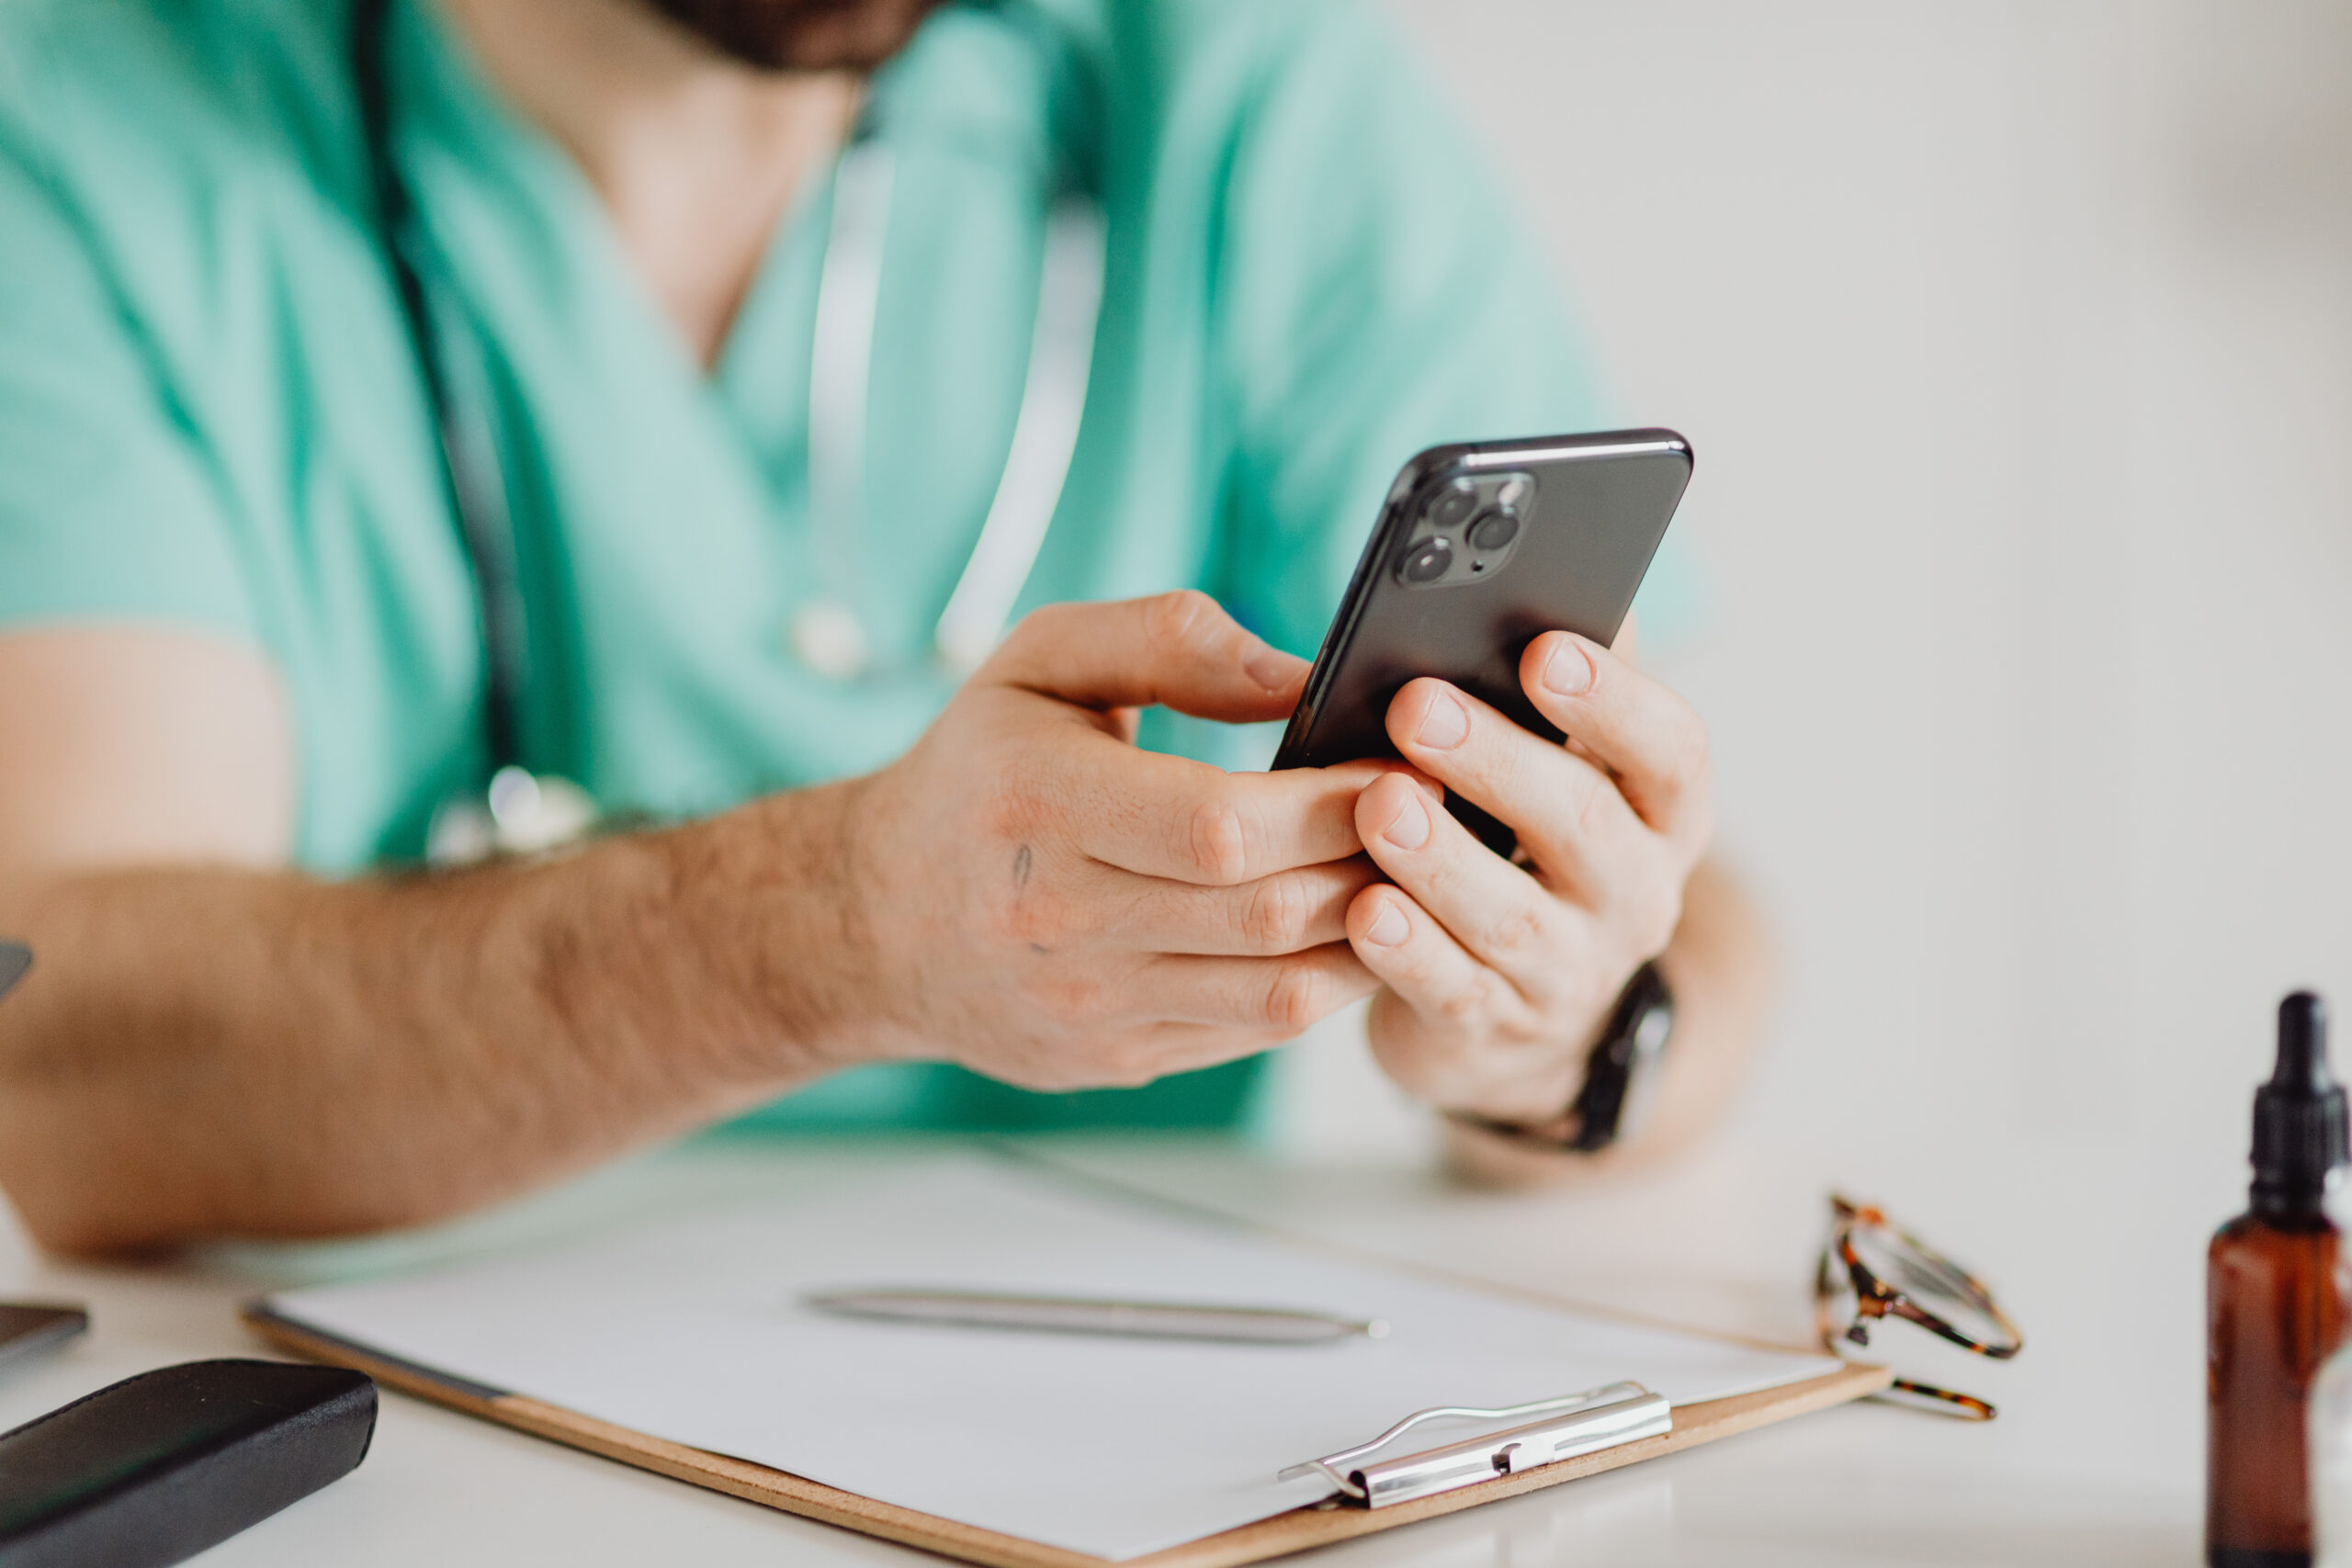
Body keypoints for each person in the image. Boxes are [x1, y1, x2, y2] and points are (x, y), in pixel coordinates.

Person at [0, 0, 1766, 1253]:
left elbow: (1704, 928)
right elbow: (72, 1069)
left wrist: (1555, 1038)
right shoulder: (98, 122)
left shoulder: (1239, 83)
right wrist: (833, 930)